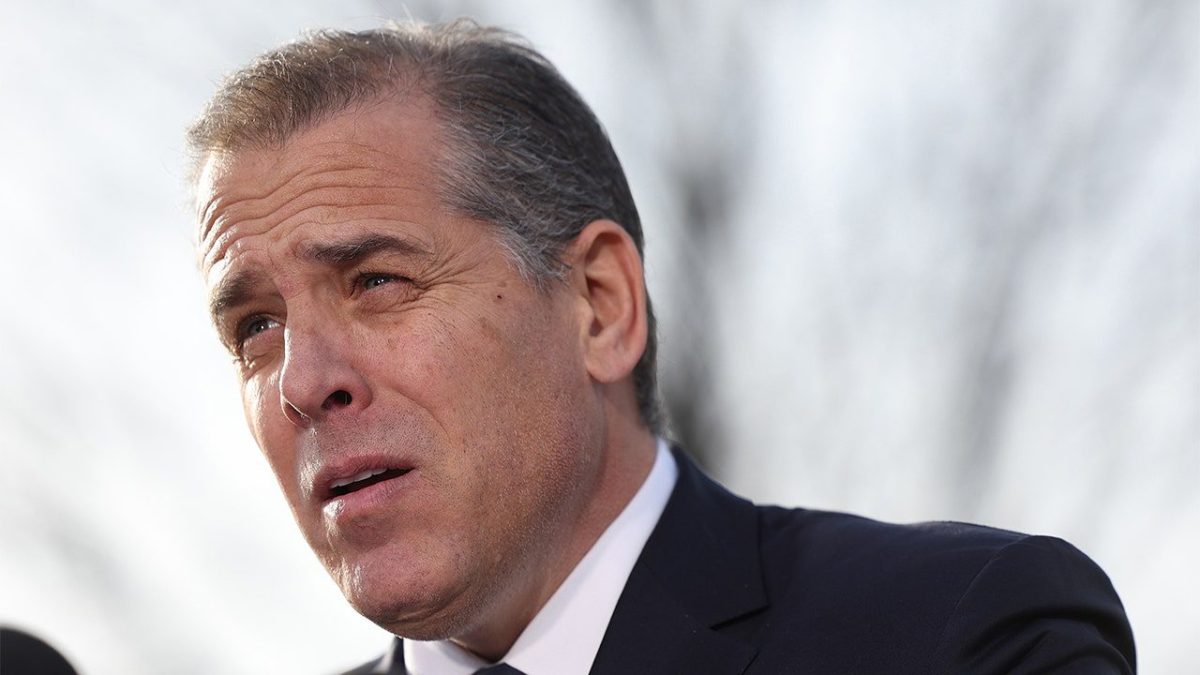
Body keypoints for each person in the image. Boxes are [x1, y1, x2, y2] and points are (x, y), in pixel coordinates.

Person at [187, 19, 1135, 675]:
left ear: (600, 306)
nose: (303, 381)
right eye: (255, 327)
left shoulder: (961, 635)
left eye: (376, 281)